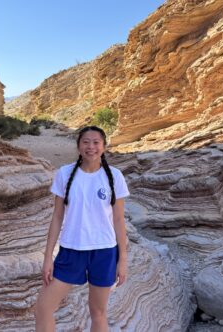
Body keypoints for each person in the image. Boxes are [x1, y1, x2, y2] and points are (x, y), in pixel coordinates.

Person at [35, 125, 130, 332]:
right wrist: (47, 257)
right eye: (86, 142)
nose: (91, 147)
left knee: (98, 313)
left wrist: (122, 260)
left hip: (104, 251)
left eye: (96, 142)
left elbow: (118, 220)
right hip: (71, 250)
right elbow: (57, 216)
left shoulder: (114, 176)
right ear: (78, 146)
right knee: (43, 308)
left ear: (104, 146)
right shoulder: (65, 174)